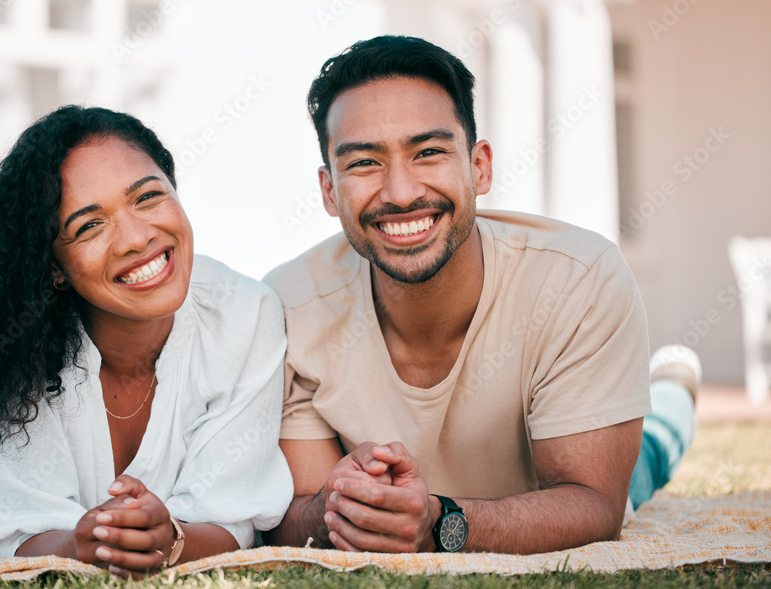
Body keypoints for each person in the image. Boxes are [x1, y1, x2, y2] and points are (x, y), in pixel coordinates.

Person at [263, 35, 698, 555]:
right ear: (330, 190)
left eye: (428, 152)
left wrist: (438, 520)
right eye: (363, 163)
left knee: (649, 457)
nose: (401, 193)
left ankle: (673, 392)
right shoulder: (287, 308)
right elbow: (296, 511)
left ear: (480, 166)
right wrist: (340, 507)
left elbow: (595, 503)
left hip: (546, 481)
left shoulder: (578, 277)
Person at [0, 106, 292, 576]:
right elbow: (0, 529)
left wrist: (170, 541)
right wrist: (81, 546)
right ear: (53, 267)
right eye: (89, 225)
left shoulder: (245, 314)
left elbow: (234, 516)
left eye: (148, 197)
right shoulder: (6, 342)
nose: (135, 238)